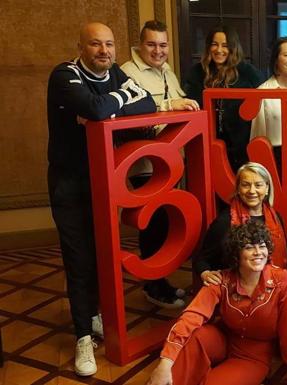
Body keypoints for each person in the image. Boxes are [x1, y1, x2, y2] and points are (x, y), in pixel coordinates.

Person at [47, 22, 156, 376]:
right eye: (96, 44)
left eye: (109, 44)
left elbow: (149, 103)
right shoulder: (64, 75)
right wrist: (116, 102)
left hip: (103, 182)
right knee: (79, 258)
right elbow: (94, 109)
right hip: (69, 185)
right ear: (81, 46)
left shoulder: (114, 73)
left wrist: (107, 106)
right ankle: (82, 336)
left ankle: (94, 315)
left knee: (103, 254)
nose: (104, 51)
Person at [146, 221, 287, 385]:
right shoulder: (222, 279)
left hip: (253, 356)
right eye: (248, 247)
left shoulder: (281, 280)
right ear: (236, 254)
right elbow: (192, 315)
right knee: (195, 335)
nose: (258, 252)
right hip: (222, 339)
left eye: (262, 246)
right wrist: (165, 363)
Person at [121, 20, 199, 309]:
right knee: (153, 226)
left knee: (166, 223)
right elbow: (131, 114)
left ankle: (160, 281)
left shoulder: (167, 71)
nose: (158, 50)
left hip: (169, 162)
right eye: (152, 44)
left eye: (163, 45)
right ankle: (153, 286)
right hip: (145, 165)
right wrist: (169, 106)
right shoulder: (127, 73)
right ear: (140, 45)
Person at [250, 36, 287, 289]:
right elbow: (257, 135)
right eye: (286, 55)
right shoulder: (263, 91)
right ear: (276, 59)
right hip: (275, 159)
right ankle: (279, 271)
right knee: (278, 214)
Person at [184, 25, 265, 171]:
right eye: (214, 44)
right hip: (206, 144)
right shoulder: (196, 73)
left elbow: (265, 100)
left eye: (225, 45)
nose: (219, 50)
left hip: (241, 147)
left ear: (233, 48)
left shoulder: (247, 72)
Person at [194, 162, 287, 286]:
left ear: (267, 188)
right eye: (245, 185)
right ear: (238, 188)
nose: (252, 191)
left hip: (275, 287)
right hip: (235, 291)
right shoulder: (224, 222)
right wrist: (205, 273)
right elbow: (202, 259)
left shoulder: (276, 218)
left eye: (258, 185)